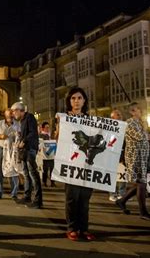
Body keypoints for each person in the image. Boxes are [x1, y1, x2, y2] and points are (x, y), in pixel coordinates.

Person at [58, 87, 95, 241]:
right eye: (73, 98)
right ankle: (72, 228)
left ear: (84, 101)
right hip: (71, 162)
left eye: (79, 98)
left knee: (85, 199)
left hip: (87, 164)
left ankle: (84, 228)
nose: (76, 101)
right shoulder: (65, 118)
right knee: (72, 197)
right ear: (69, 101)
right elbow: (59, 139)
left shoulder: (91, 120)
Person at [115, 102, 150, 222]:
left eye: (140, 109)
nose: (141, 111)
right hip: (136, 157)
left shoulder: (139, 123)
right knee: (142, 183)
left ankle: (121, 201)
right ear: (132, 112)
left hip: (144, 156)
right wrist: (146, 131)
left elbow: (149, 138)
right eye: (138, 110)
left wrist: (147, 133)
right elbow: (140, 136)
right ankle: (143, 212)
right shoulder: (129, 123)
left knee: (141, 183)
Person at [12, 102, 42, 209]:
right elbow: (25, 133)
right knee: (26, 173)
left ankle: (38, 200)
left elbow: (33, 132)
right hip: (24, 150)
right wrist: (19, 139)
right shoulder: (22, 121)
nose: (13, 113)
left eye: (14, 111)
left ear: (20, 110)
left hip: (30, 148)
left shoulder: (30, 117)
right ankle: (27, 196)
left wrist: (23, 141)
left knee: (33, 173)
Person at [0, 109, 20, 200]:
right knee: (0, 169)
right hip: (1, 148)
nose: (10, 116)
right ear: (5, 115)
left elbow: (20, 135)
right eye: (8, 115)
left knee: (14, 170)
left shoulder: (17, 125)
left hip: (13, 150)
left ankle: (14, 193)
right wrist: (1, 136)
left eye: (11, 115)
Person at [109, 109, 127, 202]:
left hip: (123, 154)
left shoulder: (125, 127)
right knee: (113, 176)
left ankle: (122, 193)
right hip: (113, 155)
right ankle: (113, 193)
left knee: (122, 175)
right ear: (112, 118)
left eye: (120, 115)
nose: (120, 116)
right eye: (118, 115)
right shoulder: (109, 129)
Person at [39, 121, 55, 188]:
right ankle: (44, 181)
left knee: (52, 169)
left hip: (52, 155)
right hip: (44, 156)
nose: (48, 129)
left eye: (49, 127)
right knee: (45, 169)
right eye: (46, 127)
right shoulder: (41, 136)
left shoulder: (51, 135)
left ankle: (52, 182)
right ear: (42, 128)